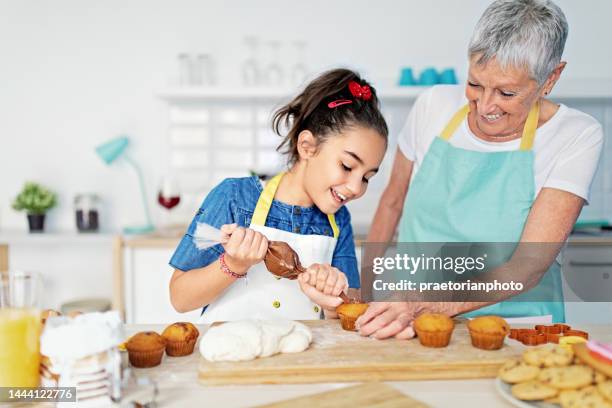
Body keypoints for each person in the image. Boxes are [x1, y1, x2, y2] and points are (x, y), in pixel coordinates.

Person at [357, 0, 604, 339]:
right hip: (412, 323)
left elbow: (528, 266)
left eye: (506, 92)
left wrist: (425, 302)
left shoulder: (576, 134)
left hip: (519, 329)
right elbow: (392, 202)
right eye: (475, 84)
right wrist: (366, 287)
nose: (485, 106)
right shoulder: (433, 106)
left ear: (551, 78)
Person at [168, 69, 388, 323]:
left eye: (366, 178)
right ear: (307, 146)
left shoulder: (339, 220)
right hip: (231, 358)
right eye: (347, 166)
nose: (356, 188)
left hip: (301, 360)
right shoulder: (234, 198)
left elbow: (350, 309)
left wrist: (331, 299)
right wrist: (233, 264)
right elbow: (180, 299)